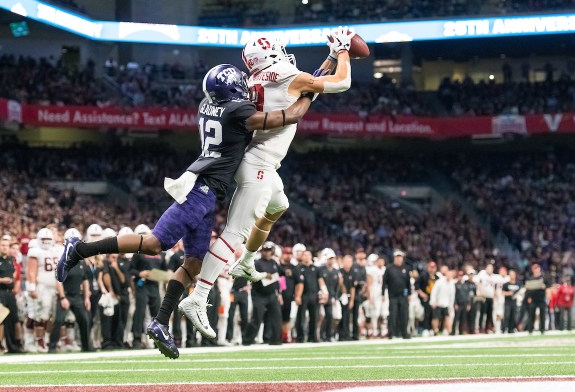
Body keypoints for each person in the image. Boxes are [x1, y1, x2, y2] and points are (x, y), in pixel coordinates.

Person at [56, 63, 316, 359]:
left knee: (193, 263)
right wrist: (309, 92)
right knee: (155, 243)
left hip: (207, 190)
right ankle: (79, 250)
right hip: (201, 191)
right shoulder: (237, 112)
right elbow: (291, 116)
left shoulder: (208, 104)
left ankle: (160, 322)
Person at [182, 27, 355, 337]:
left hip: (255, 160)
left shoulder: (253, 80)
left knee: (279, 204)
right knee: (235, 231)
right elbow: (341, 82)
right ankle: (198, 296)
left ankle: (246, 262)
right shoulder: (287, 73)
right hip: (258, 164)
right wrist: (343, 51)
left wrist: (328, 58)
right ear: (272, 53)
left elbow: (304, 87)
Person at [49, 229, 91, 353]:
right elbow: (59, 280)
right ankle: (52, 347)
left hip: (77, 296)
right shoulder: (63, 260)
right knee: (58, 321)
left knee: (84, 320)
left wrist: (87, 297)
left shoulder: (81, 260)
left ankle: (86, 347)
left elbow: (85, 280)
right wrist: (62, 297)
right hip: (65, 295)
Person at [26, 228, 60, 352]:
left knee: (48, 316)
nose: (46, 241)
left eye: (48, 239)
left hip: (53, 289)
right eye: (43, 239)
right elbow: (31, 271)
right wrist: (32, 287)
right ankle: (33, 341)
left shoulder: (55, 250)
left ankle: (43, 339)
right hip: (41, 288)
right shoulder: (35, 250)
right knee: (36, 315)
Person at [242, 242, 283, 345]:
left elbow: (279, 276)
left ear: (272, 251)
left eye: (269, 250)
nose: (267, 252)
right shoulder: (257, 262)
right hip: (259, 294)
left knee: (276, 317)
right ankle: (247, 340)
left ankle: (275, 339)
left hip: (272, 294)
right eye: (265, 250)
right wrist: (264, 275)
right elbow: (253, 276)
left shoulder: (274, 262)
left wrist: (280, 292)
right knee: (257, 318)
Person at [382, 250, 411, 339]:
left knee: (404, 315)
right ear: (394, 258)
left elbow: (408, 283)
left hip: (403, 295)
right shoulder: (389, 268)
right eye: (397, 257)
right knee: (393, 315)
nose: (399, 259)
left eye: (400, 257)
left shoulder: (405, 268)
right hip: (393, 295)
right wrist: (382, 293)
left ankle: (404, 333)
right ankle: (391, 333)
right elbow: (384, 282)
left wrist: (409, 294)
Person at [296, 250, 323, 343]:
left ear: (311, 256)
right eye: (305, 255)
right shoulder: (298, 268)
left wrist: (323, 293)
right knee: (301, 318)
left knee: (314, 317)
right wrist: (297, 296)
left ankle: (313, 336)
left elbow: (320, 281)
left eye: (309, 255)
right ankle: (300, 337)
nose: (307, 257)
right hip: (303, 295)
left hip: (313, 295)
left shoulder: (316, 268)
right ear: (302, 257)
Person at [280, 246, 303, 343]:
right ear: (282, 254)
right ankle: (278, 335)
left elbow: (299, 283)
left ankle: (285, 336)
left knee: (287, 318)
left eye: (290, 254)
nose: (288, 256)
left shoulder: (294, 268)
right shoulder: (277, 266)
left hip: (289, 297)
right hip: (277, 296)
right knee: (277, 317)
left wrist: (298, 296)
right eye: (286, 253)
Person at [0, 237, 19, 353]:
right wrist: (2, 280)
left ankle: (13, 346)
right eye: (2, 245)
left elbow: (15, 276)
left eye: (6, 245)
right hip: (0, 292)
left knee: (13, 319)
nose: (4, 247)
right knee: (1, 319)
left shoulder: (11, 260)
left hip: (10, 293)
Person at [318, 248, 341, 342]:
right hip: (321, 297)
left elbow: (337, 286)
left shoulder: (336, 271)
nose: (331, 260)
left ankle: (328, 335)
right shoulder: (321, 270)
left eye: (332, 258)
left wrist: (335, 296)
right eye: (329, 258)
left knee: (330, 316)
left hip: (331, 297)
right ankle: (320, 334)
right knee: (321, 316)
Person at [525, 263, 551, 334]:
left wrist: (548, 294)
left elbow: (548, 287)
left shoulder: (544, 277)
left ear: (539, 268)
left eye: (537, 268)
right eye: (534, 268)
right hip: (533, 298)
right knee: (531, 315)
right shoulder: (530, 278)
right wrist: (529, 297)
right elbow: (528, 289)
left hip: (541, 298)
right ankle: (530, 329)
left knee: (542, 314)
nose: (536, 270)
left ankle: (542, 329)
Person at [430, 269, 456, 336]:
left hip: (446, 304)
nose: (449, 276)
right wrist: (433, 301)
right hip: (438, 303)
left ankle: (450, 331)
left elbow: (452, 296)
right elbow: (434, 292)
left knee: (447, 317)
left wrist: (451, 305)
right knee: (436, 318)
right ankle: (435, 331)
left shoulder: (452, 284)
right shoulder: (439, 282)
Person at [415, 261, 438, 336]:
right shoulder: (423, 275)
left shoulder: (437, 277)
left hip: (433, 299)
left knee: (433, 314)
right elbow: (417, 285)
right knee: (425, 314)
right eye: (431, 267)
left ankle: (431, 329)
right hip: (425, 298)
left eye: (433, 267)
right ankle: (425, 329)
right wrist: (422, 294)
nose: (432, 269)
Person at [339, 255, 356, 341]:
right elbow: (339, 285)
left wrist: (352, 300)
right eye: (346, 261)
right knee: (340, 317)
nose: (348, 263)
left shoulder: (352, 273)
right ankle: (341, 335)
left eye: (349, 261)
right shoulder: (339, 272)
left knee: (347, 317)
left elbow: (353, 287)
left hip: (348, 297)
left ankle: (346, 334)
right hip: (340, 297)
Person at [454, 270, 475, 335]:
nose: (460, 277)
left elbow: (467, 295)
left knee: (463, 319)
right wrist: (455, 303)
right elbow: (453, 295)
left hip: (464, 303)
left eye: (461, 275)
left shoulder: (465, 285)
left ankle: (461, 331)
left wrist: (468, 304)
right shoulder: (455, 284)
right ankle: (453, 331)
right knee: (456, 318)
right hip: (458, 304)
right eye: (459, 275)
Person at [477, 263, 496, 334]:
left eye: (491, 268)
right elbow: (479, 282)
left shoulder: (493, 277)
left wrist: (494, 295)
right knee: (482, 313)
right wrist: (480, 292)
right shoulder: (482, 274)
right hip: (484, 296)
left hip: (490, 297)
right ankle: (480, 328)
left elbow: (493, 286)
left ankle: (487, 328)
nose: (490, 270)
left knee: (489, 314)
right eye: (489, 268)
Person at [502, 269, 520, 334]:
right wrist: (509, 293)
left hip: (514, 302)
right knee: (507, 315)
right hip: (507, 302)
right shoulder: (506, 284)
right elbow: (502, 292)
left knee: (513, 315)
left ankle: (511, 329)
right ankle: (504, 329)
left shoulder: (518, 283)